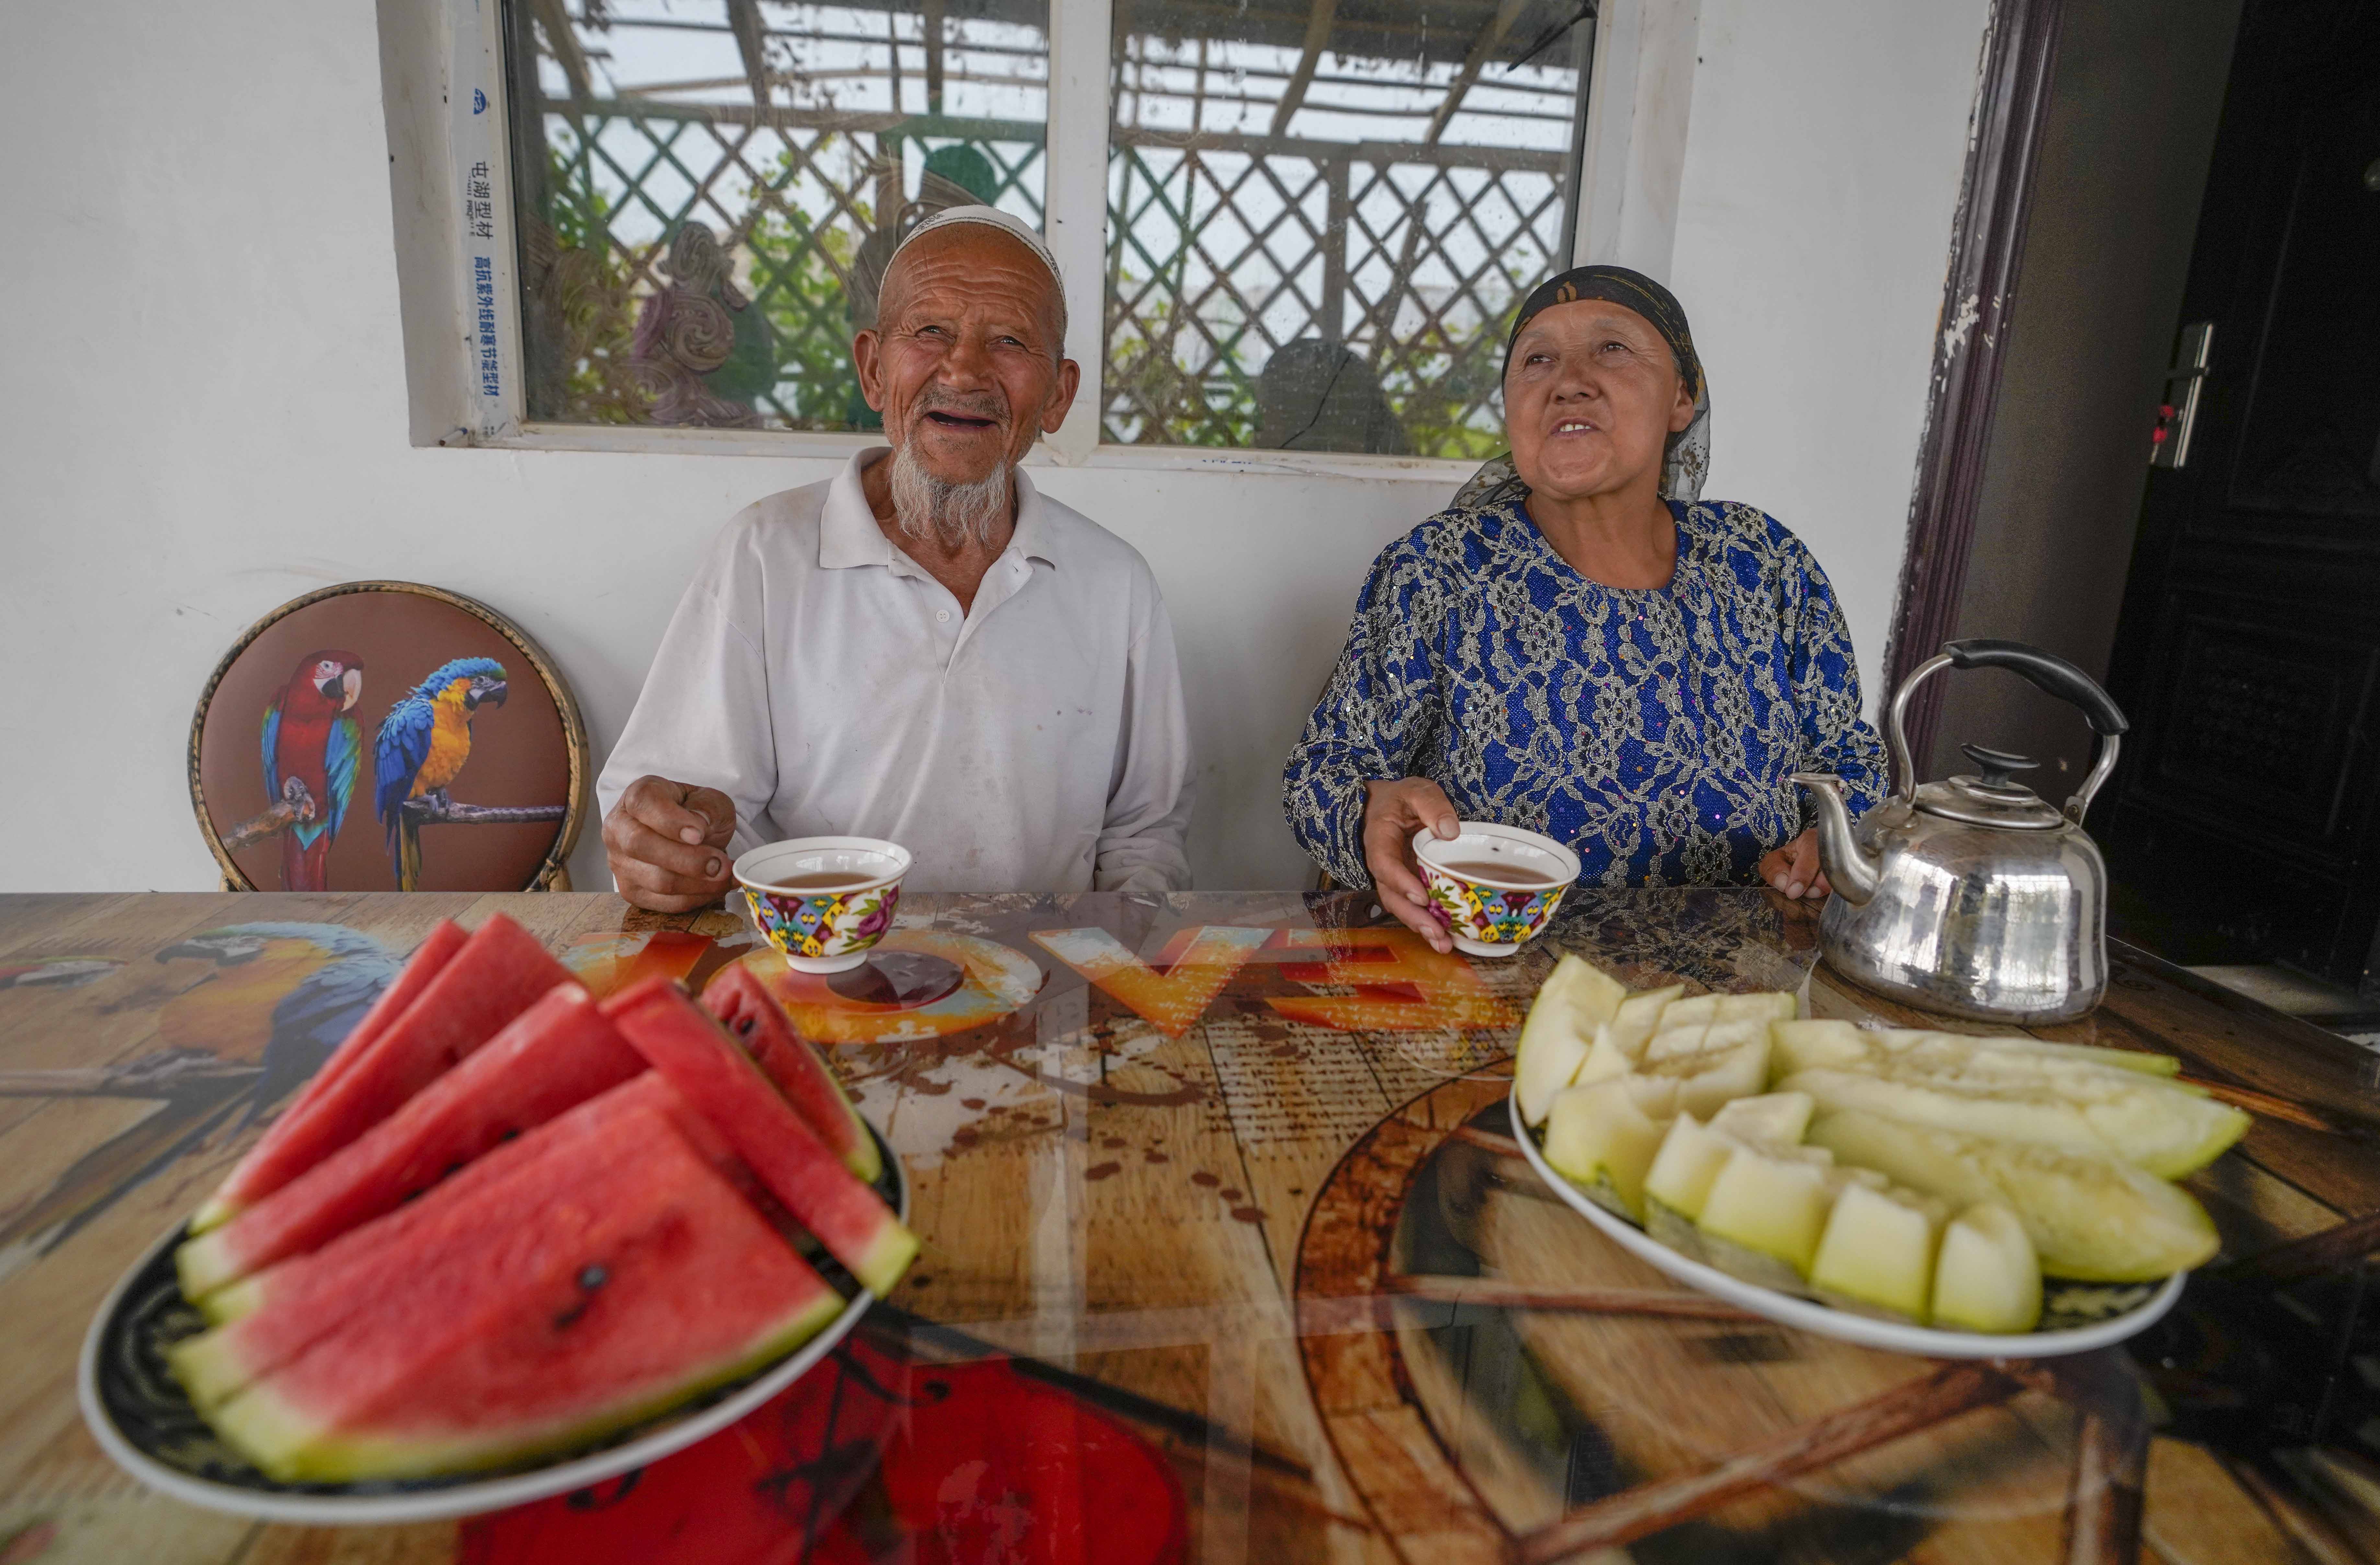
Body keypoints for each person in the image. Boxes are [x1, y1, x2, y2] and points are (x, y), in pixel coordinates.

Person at [599, 206, 1194, 911]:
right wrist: (664, 849)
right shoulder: (764, 554)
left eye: (1008, 340)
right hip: (815, 988)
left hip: (1043, 990)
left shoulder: (1113, 583)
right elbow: (679, 814)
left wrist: (1109, 960)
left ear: (1058, 396)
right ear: (873, 369)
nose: (965, 370)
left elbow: (1144, 835)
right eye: (930, 332)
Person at [1281, 265, 1887, 952]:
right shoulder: (1437, 570)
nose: (1568, 379)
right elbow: (1322, 771)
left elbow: (1849, 759)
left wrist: (1822, 844)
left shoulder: (1763, 562)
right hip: (1491, 995)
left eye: (1612, 349)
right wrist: (1369, 810)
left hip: (1736, 991)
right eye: (1536, 359)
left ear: (1681, 399)